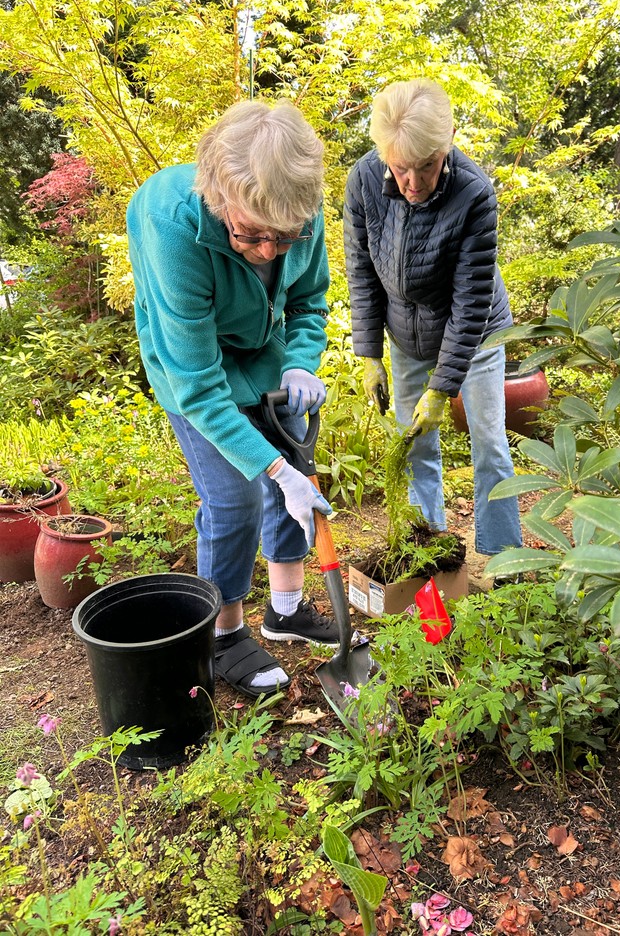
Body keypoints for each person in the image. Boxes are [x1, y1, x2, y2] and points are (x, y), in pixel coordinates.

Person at [126, 98, 339, 699]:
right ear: (219, 202)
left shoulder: (300, 210)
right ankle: (222, 635)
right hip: (196, 367)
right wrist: (268, 465)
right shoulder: (172, 228)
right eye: (250, 234)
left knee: (297, 479)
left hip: (266, 354)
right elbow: (197, 380)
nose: (270, 251)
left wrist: (299, 359)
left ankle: (287, 609)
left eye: (285, 236)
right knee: (235, 497)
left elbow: (309, 300)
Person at [343, 78, 522, 578]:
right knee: (414, 441)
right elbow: (361, 271)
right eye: (400, 168)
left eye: (426, 165)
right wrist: (369, 355)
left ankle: (505, 562)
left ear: (447, 144)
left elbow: (470, 302)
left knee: (489, 443)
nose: (413, 182)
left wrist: (443, 390)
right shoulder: (361, 182)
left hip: (476, 333)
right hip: (406, 335)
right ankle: (430, 547)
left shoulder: (474, 192)